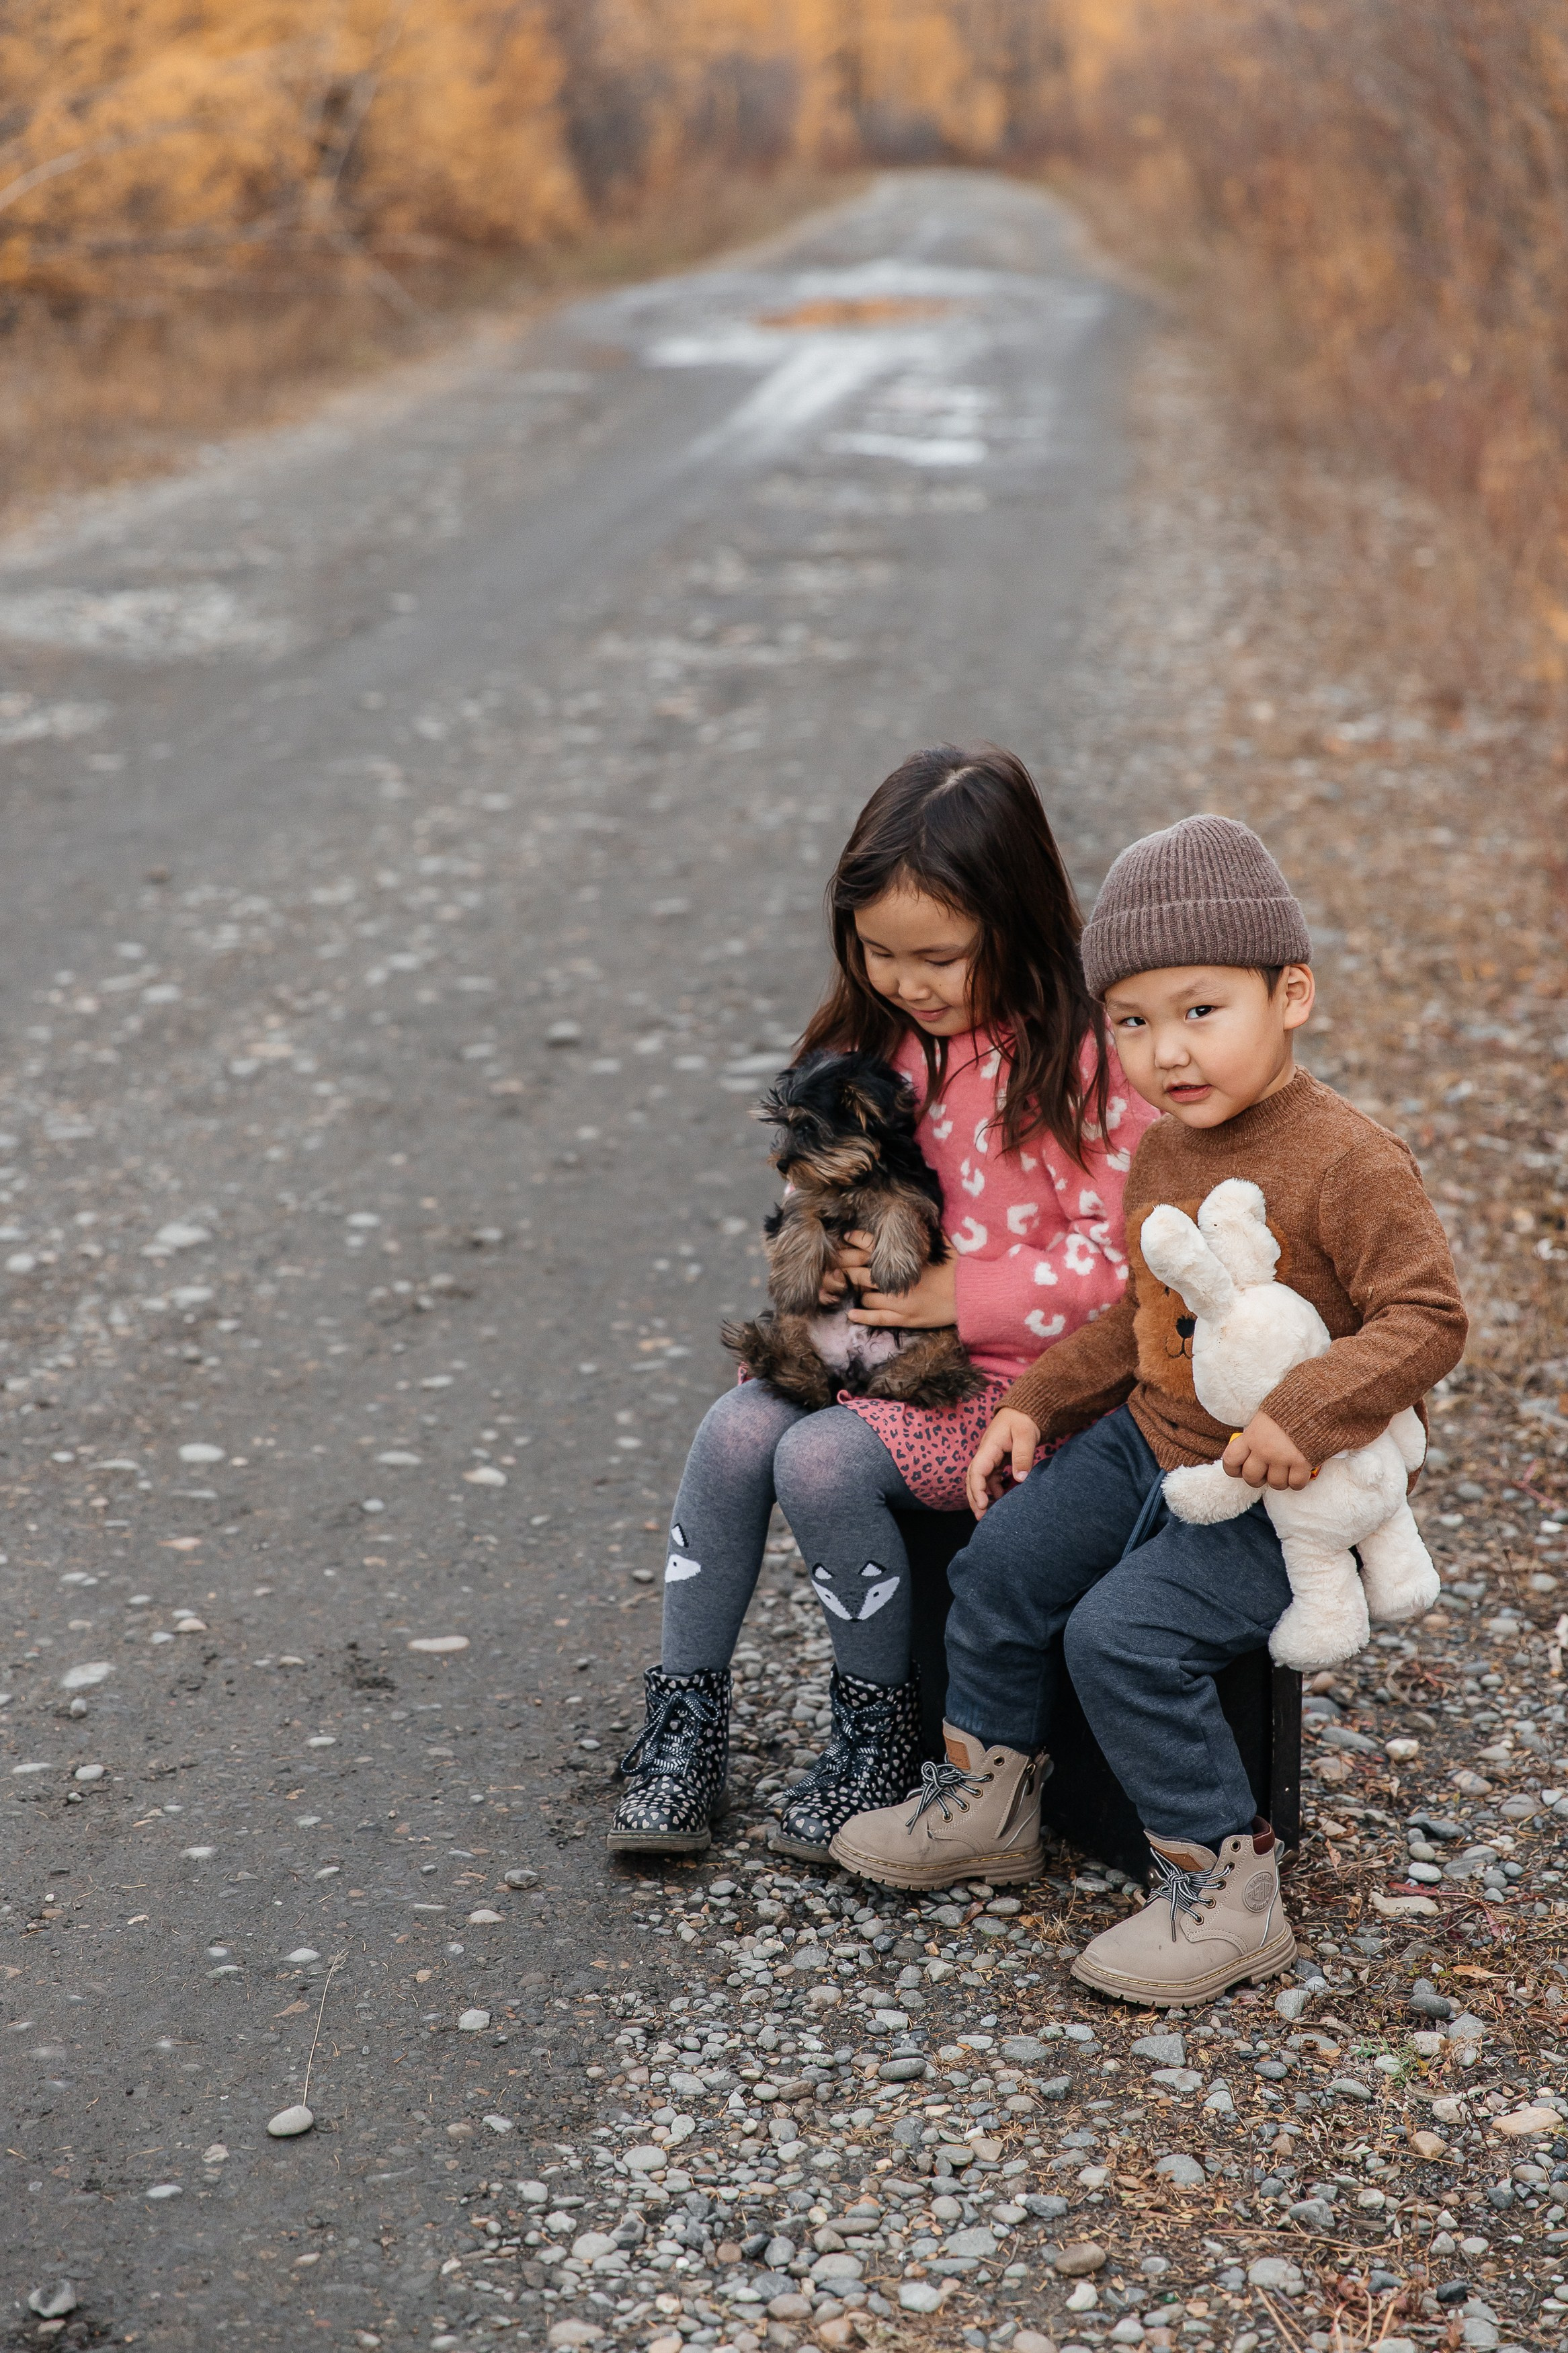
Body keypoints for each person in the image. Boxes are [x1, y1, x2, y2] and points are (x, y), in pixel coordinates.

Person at [829, 813, 1467, 2008]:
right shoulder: (1168, 1149)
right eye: (1131, 1022)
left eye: (1198, 1011)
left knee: (1122, 1635)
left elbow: (1427, 1319)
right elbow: (1140, 1319)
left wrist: (1305, 1412)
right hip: (1152, 1440)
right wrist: (1036, 1399)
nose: (1166, 1052)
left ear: (1292, 997)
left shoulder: (1347, 1160)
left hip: (1287, 1486)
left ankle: (1225, 1888)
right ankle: (993, 1797)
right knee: (1003, 1562)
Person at [608, 744, 1155, 1858]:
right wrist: (832, 1271)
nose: (907, 981)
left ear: (1016, 921)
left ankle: (880, 1736)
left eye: (939, 958)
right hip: (871, 1357)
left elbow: (1126, 1267)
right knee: (731, 1434)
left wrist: (967, 1292)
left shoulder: (1078, 1065)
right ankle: (685, 1722)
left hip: (1019, 1392)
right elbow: (813, 1186)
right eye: (878, 952)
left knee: (819, 1460)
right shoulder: (871, 1044)